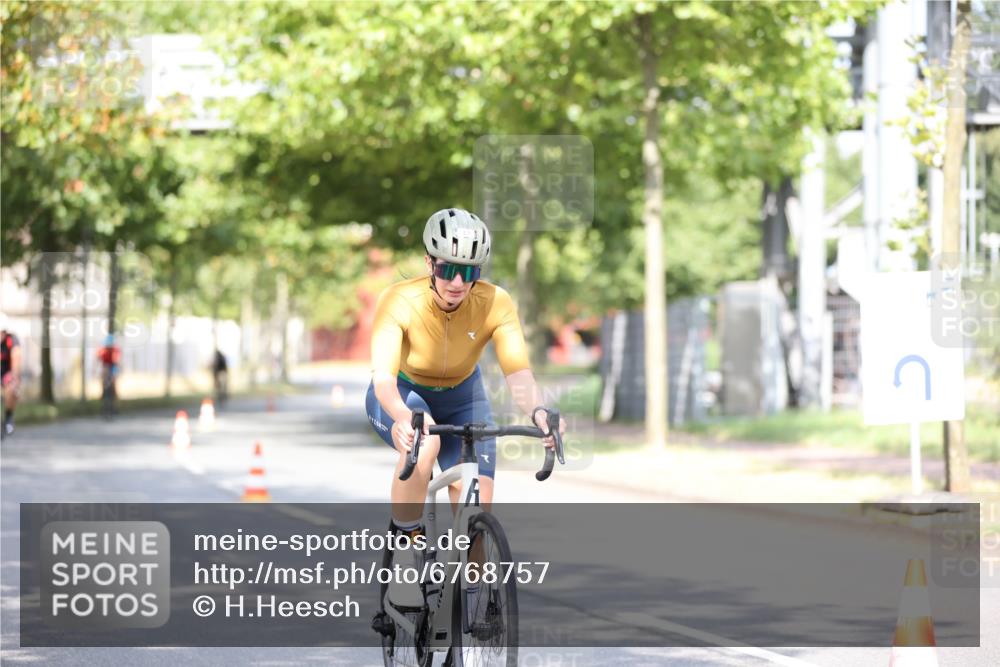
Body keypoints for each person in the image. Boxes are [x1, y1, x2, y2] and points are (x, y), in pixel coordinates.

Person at [365, 207, 566, 535]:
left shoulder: (495, 302)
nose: (458, 283)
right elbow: (383, 379)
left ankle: (472, 582)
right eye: (448, 269)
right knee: (423, 442)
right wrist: (402, 415)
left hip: (462, 397)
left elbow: (517, 373)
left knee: (475, 510)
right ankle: (405, 547)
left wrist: (539, 412)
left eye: (469, 272)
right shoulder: (399, 299)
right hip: (404, 392)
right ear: (430, 263)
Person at [1, 314, 22, 437]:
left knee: (11, 389)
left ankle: (8, 418)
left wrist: (15, 379)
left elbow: (16, 359)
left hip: (7, 371)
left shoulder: (12, 340)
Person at [96, 334, 121, 417]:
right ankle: (103, 398)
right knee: (104, 380)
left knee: (114, 386)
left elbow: (116, 362)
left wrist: (114, 374)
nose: (109, 348)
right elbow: (98, 360)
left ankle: (115, 406)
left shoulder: (115, 350)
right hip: (105, 366)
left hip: (113, 367)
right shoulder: (103, 350)